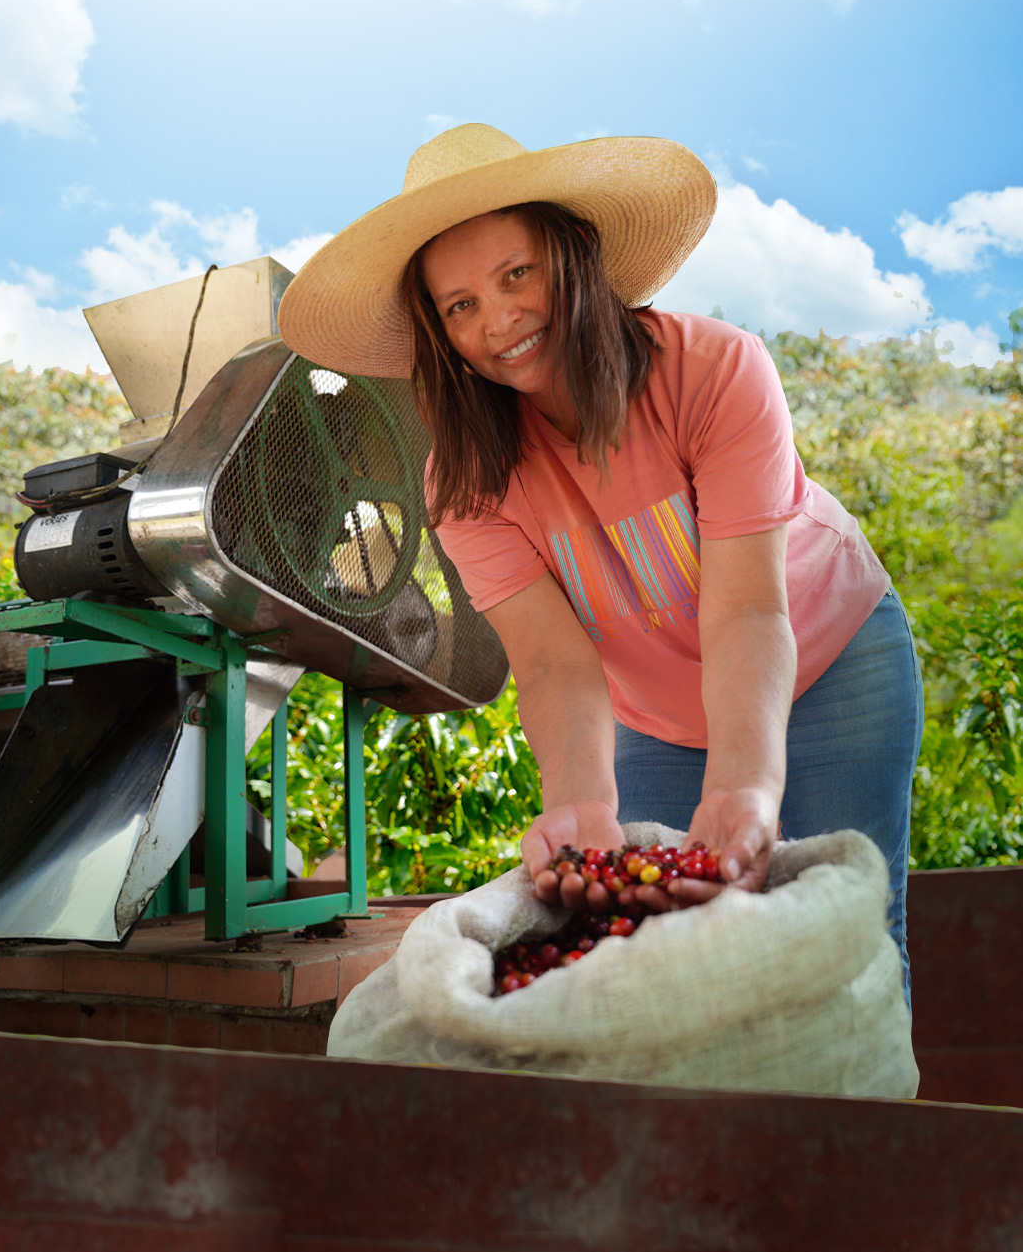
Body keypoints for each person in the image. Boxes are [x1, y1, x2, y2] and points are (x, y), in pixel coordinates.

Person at [278, 123, 924, 997]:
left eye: (517, 275)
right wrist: (580, 807)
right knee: (678, 955)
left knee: (856, 938)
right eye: (459, 305)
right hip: (652, 710)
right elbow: (550, 660)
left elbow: (746, 611)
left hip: (828, 655)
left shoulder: (716, 371)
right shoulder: (465, 479)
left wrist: (743, 785)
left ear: (571, 258)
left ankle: (875, 1130)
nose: (497, 322)